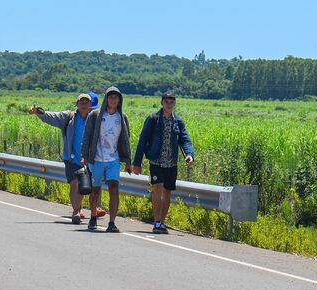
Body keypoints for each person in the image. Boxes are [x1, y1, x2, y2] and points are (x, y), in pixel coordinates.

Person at [29, 92, 105, 224]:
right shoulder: (69, 117)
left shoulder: (95, 119)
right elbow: (52, 116)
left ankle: (82, 209)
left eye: (87, 102)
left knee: (84, 185)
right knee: (75, 184)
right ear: (77, 104)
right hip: (71, 158)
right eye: (81, 101)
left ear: (91, 105)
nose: (84, 104)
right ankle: (76, 211)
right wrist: (39, 112)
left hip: (88, 159)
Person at [131, 92, 194, 234]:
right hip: (156, 160)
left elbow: (185, 139)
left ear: (174, 103)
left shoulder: (178, 122)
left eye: (172, 101)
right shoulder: (153, 119)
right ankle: (157, 222)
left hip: (171, 163)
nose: (169, 104)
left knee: (167, 192)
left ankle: (161, 222)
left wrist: (189, 154)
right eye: (167, 101)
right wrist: (137, 162)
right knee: (158, 188)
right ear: (162, 102)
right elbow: (142, 141)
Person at [81, 86, 132, 233]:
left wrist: (128, 161)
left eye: (116, 97)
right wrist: (84, 156)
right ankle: (93, 216)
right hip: (96, 159)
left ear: (119, 100)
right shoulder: (95, 116)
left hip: (113, 159)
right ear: (106, 99)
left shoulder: (122, 118)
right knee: (95, 191)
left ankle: (112, 222)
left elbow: (126, 140)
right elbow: (87, 136)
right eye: (111, 97)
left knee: (114, 189)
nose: (113, 100)